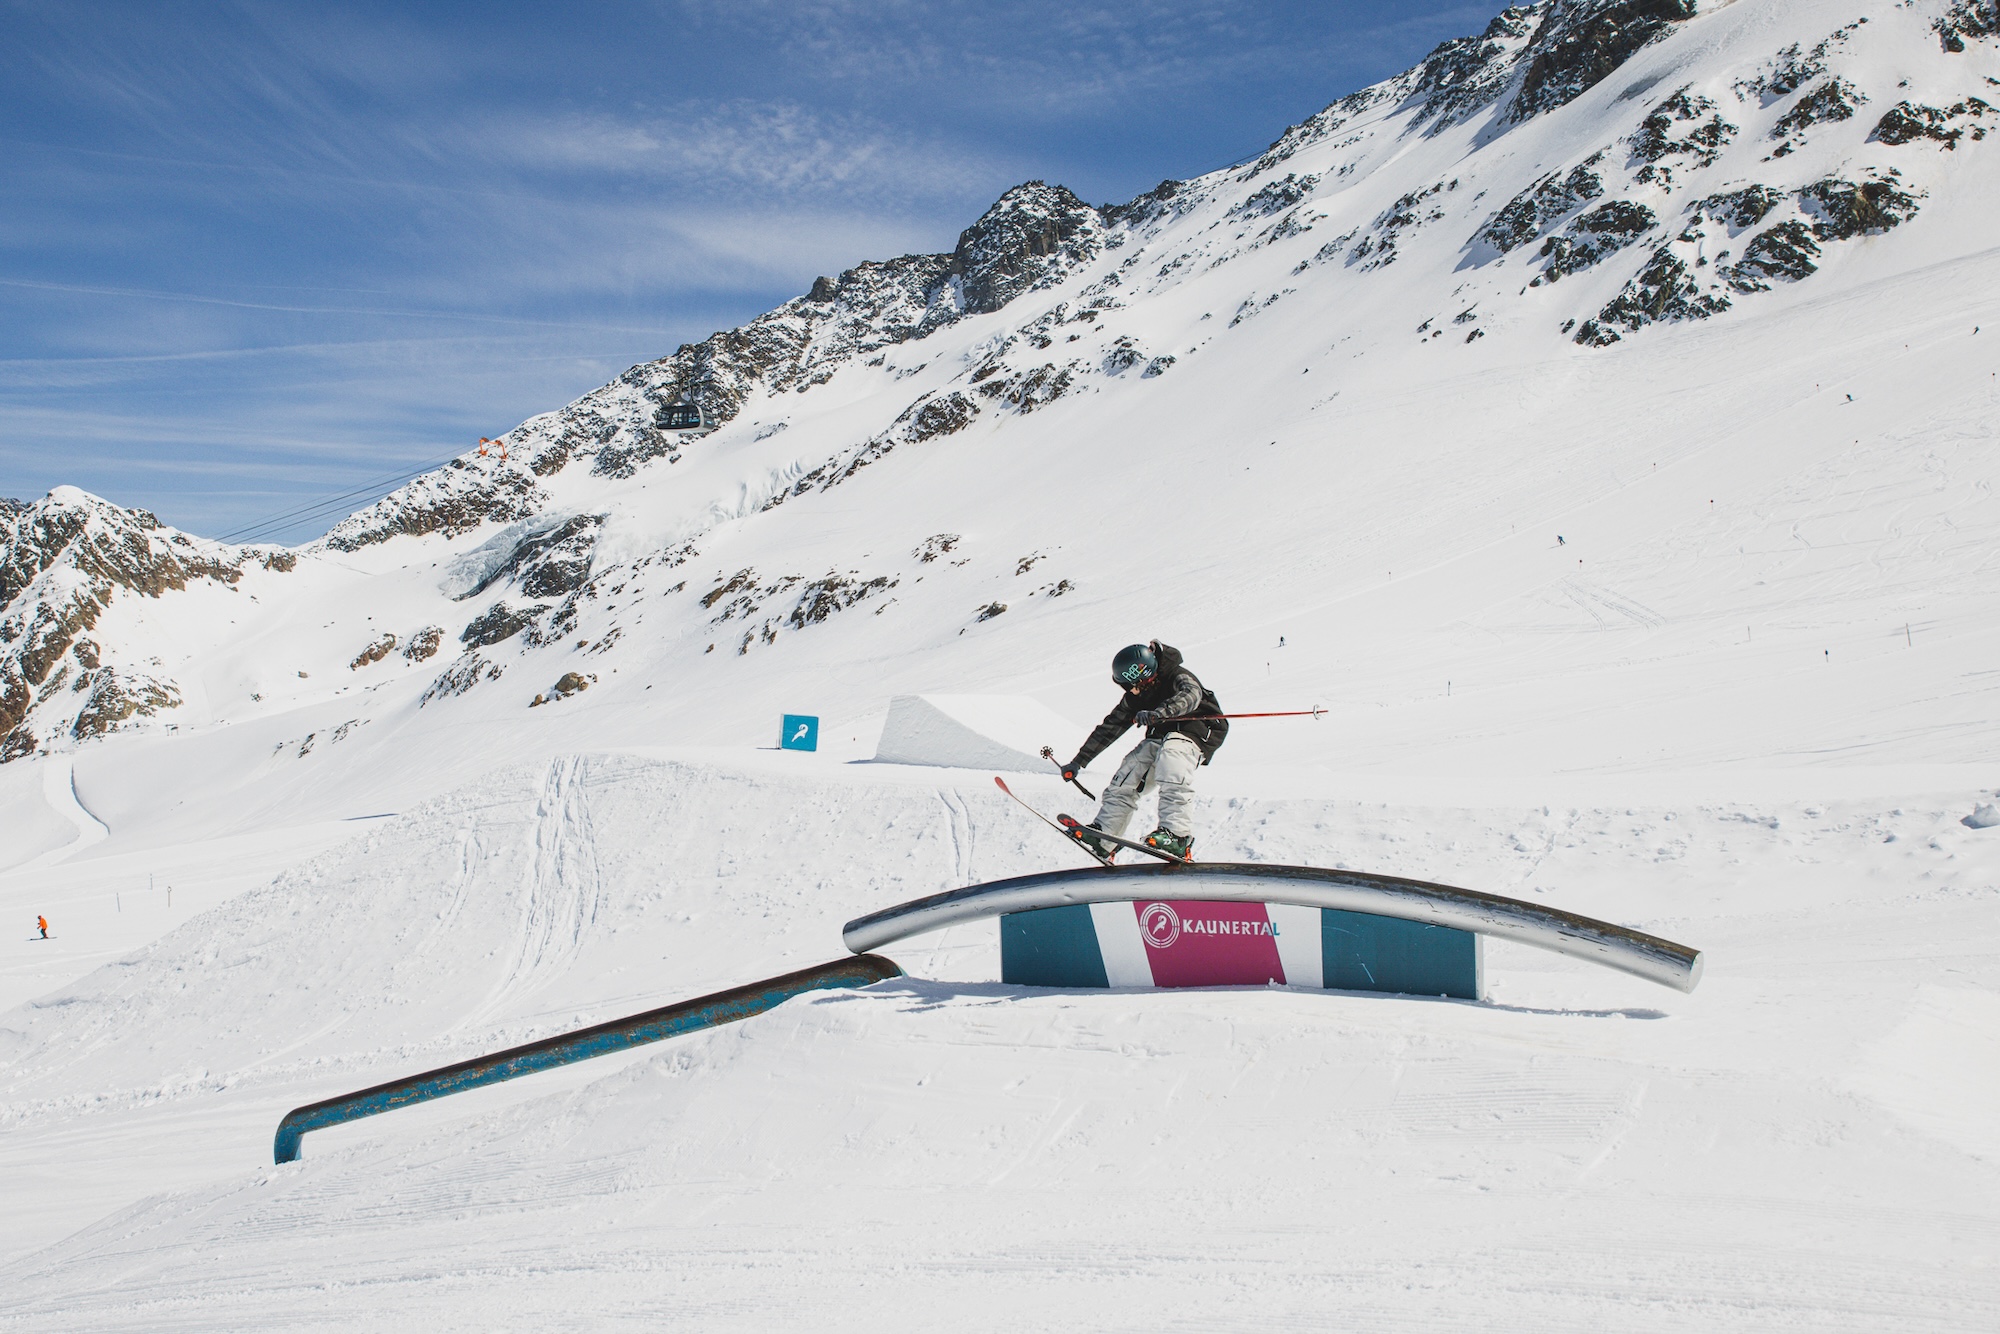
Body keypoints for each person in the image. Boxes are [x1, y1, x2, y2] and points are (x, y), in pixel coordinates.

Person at [1060, 641, 1226, 860]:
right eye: (1128, 687)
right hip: (1161, 735)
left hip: (1196, 729)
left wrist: (1160, 712)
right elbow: (1110, 727)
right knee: (1130, 769)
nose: (1133, 690)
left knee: (1172, 757)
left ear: (1145, 675)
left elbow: (1191, 695)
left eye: (1134, 684)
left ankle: (1177, 835)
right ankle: (1105, 837)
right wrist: (1079, 761)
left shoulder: (1177, 674)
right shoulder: (1136, 696)